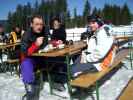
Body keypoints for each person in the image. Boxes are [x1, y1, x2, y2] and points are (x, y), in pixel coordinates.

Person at [21, 15, 48, 100]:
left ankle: (57, 82)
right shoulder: (26, 34)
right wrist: (35, 45)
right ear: (31, 24)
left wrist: (55, 43)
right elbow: (24, 52)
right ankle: (30, 95)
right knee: (26, 65)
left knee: (56, 60)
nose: (39, 26)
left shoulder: (44, 31)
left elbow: (47, 43)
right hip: (29, 59)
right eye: (37, 24)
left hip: (41, 57)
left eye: (41, 24)